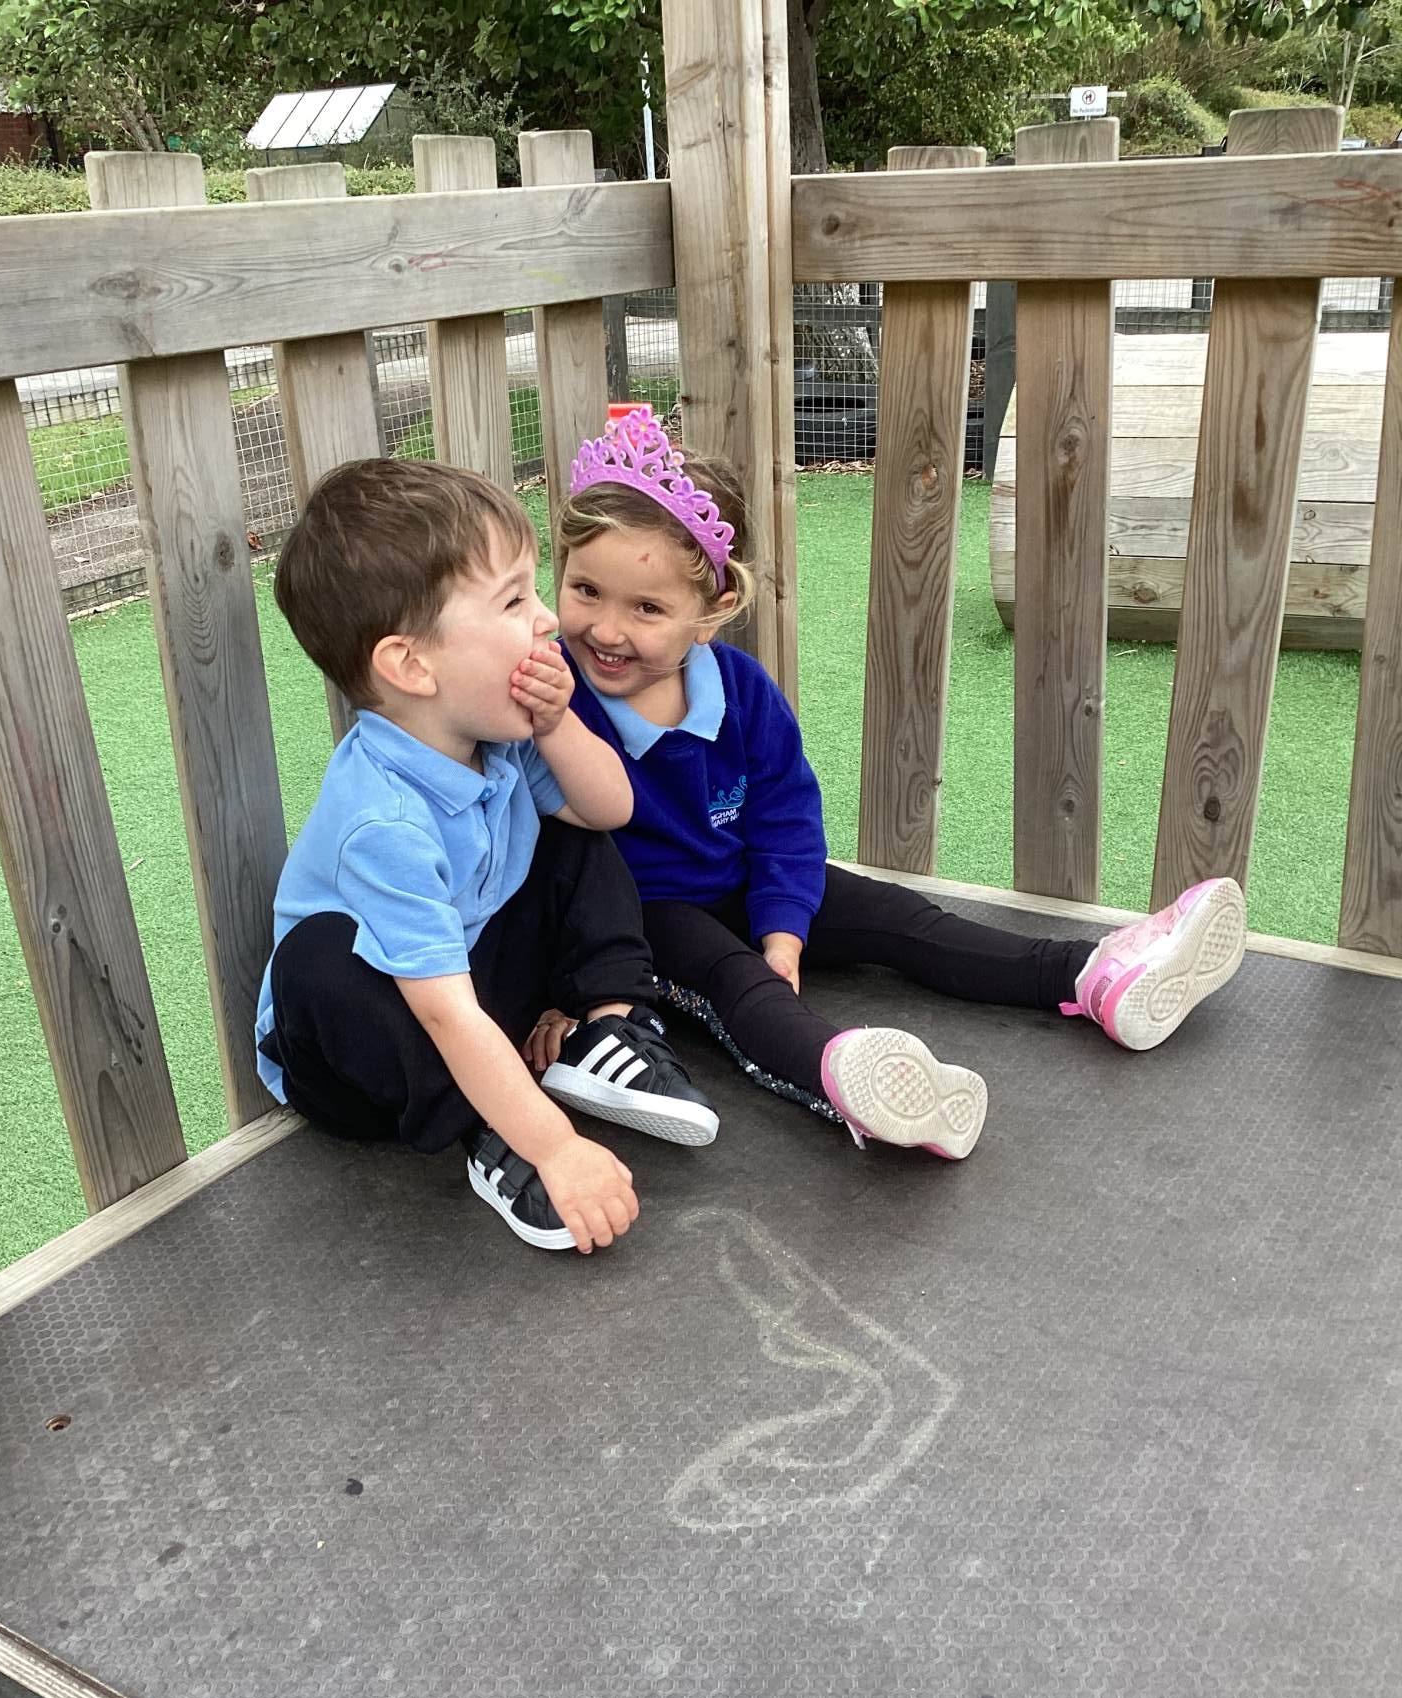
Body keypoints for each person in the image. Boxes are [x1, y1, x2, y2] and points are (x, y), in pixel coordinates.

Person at [524, 405, 1246, 1161]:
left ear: (714, 611)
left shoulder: (740, 689)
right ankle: (845, 1078)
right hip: (650, 918)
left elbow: (785, 818)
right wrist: (572, 990)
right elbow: (533, 861)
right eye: (585, 590)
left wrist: (784, 928)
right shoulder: (552, 698)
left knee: (905, 920)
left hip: (746, 880)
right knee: (740, 985)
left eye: (647, 607)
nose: (606, 629)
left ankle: (1092, 976)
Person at [254, 458, 718, 1256]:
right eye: (513, 601)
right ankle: (491, 1135)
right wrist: (556, 1146)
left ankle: (608, 1027)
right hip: (373, 1057)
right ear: (411, 665)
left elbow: (611, 809)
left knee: (571, 827)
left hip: (473, 992)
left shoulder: (499, 738)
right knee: (321, 959)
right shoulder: (383, 822)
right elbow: (443, 1013)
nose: (548, 620)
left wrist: (558, 727)